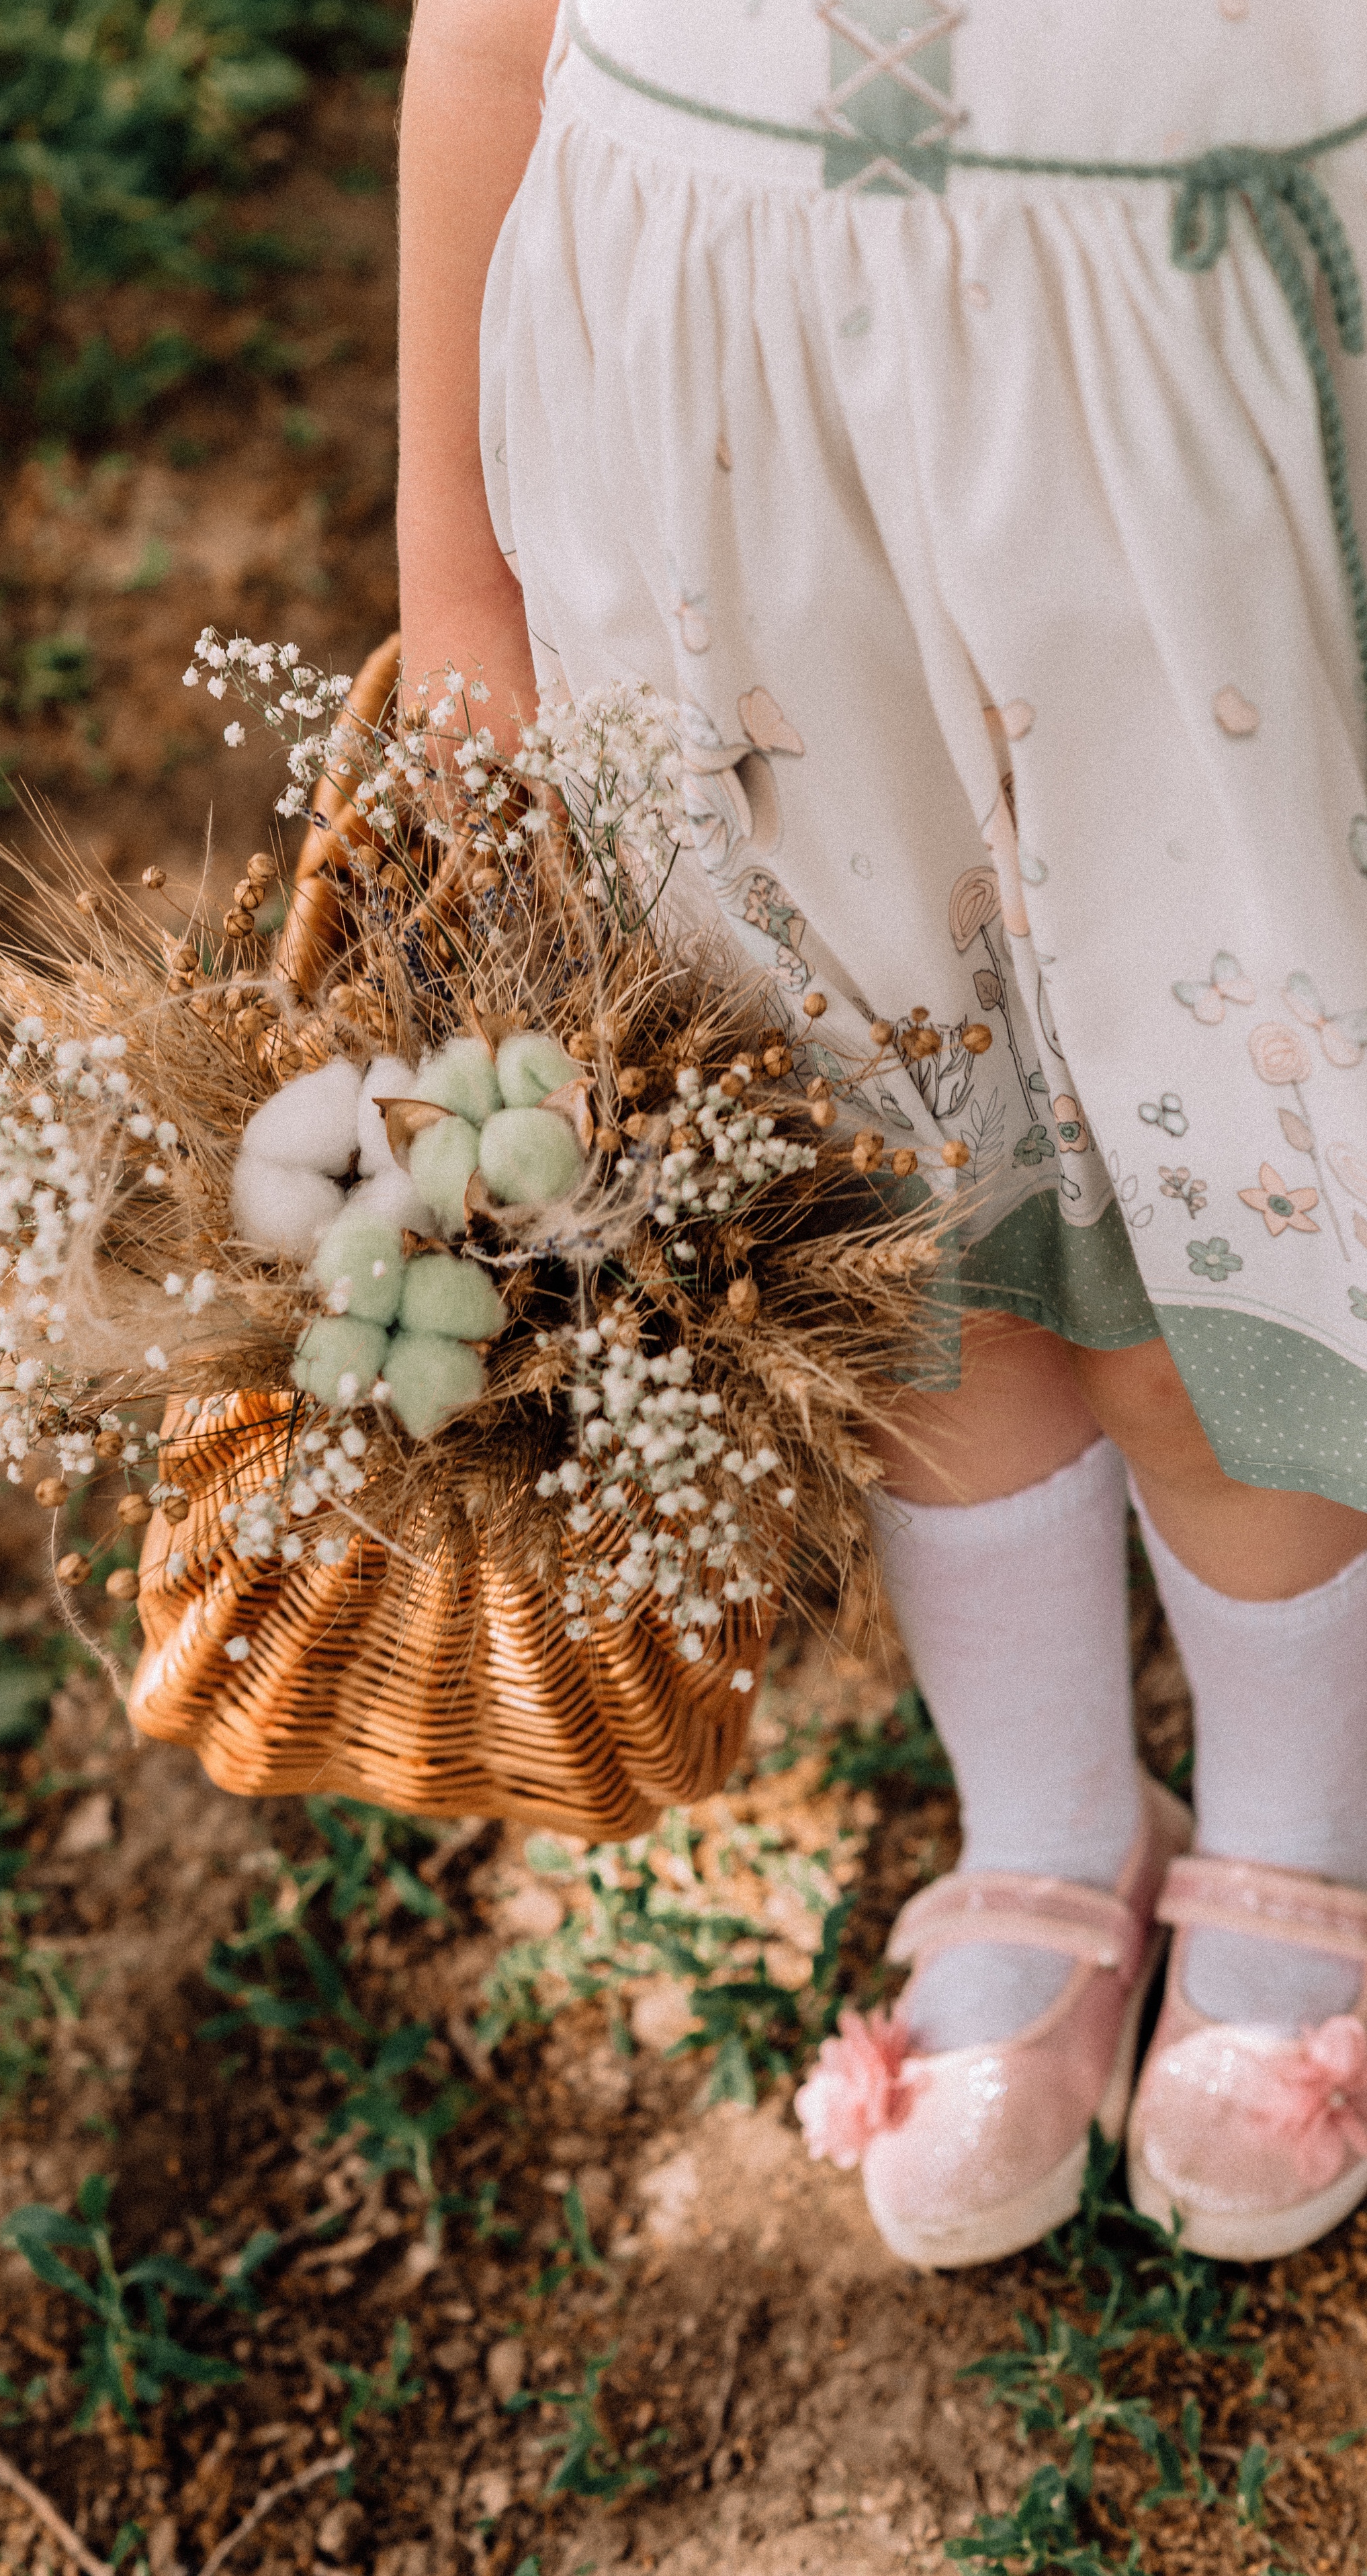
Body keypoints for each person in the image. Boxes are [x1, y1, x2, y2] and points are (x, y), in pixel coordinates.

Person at [396, 0, 1367, 2266]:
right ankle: (1043, 1810)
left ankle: (1306, 1833)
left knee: (1231, 1204)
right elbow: (481, 34)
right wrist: (459, 576)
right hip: (721, 458)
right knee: (889, 1211)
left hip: (1173, 426)